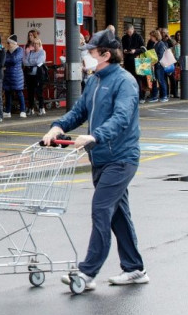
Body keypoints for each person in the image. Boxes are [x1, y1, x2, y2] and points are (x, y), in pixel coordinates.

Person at [41, 29, 149, 290]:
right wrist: (57, 127)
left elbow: (122, 118)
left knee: (101, 209)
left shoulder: (125, 82)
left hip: (121, 158)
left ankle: (87, 273)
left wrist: (95, 137)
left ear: (105, 54)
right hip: (100, 157)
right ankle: (134, 268)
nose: (87, 56)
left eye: (91, 52)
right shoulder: (94, 81)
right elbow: (79, 112)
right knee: (117, 214)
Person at [121, 24, 146, 102]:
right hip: (128, 61)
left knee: (138, 79)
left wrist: (135, 50)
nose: (129, 33)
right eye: (127, 32)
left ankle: (140, 97)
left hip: (137, 61)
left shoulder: (138, 37)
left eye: (130, 32)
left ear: (133, 30)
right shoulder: (124, 38)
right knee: (129, 79)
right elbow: (122, 47)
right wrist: (124, 50)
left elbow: (143, 49)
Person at [3, 35, 26, 118]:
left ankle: (23, 110)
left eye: (8, 43)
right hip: (8, 74)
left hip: (17, 75)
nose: (7, 44)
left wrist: (7, 61)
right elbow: (4, 61)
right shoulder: (7, 52)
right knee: (7, 93)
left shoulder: (19, 50)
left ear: (13, 43)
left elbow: (14, 60)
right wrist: (7, 61)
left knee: (19, 92)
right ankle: (7, 111)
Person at [23, 37, 46, 115]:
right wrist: (33, 62)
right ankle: (31, 108)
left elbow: (39, 61)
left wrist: (31, 62)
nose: (35, 45)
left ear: (39, 45)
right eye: (34, 44)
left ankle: (41, 108)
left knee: (39, 92)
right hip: (30, 75)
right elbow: (25, 61)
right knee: (30, 92)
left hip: (38, 75)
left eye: (37, 44)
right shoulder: (30, 52)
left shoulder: (42, 52)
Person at [147, 30, 168, 103]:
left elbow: (160, 55)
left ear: (155, 36)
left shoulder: (160, 44)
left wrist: (154, 61)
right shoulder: (155, 43)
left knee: (161, 80)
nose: (150, 38)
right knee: (154, 80)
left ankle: (165, 96)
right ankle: (154, 96)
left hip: (159, 65)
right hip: (155, 65)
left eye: (151, 36)